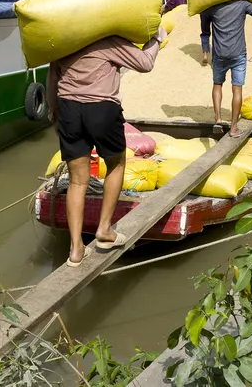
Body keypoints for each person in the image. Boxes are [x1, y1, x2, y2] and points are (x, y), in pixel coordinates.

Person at [47, 27, 168, 267]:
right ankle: (104, 230)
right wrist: (157, 38)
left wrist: (54, 113)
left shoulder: (62, 39)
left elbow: (53, 79)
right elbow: (145, 63)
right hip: (102, 109)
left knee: (77, 181)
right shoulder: (107, 39)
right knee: (116, 164)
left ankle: (75, 249)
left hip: (69, 109)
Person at [200, 0, 252, 136]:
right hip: (238, 54)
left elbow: (205, 32)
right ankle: (233, 128)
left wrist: (205, 51)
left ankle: (218, 119)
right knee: (237, 88)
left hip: (219, 53)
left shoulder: (210, 6)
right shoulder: (242, 3)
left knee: (217, 84)